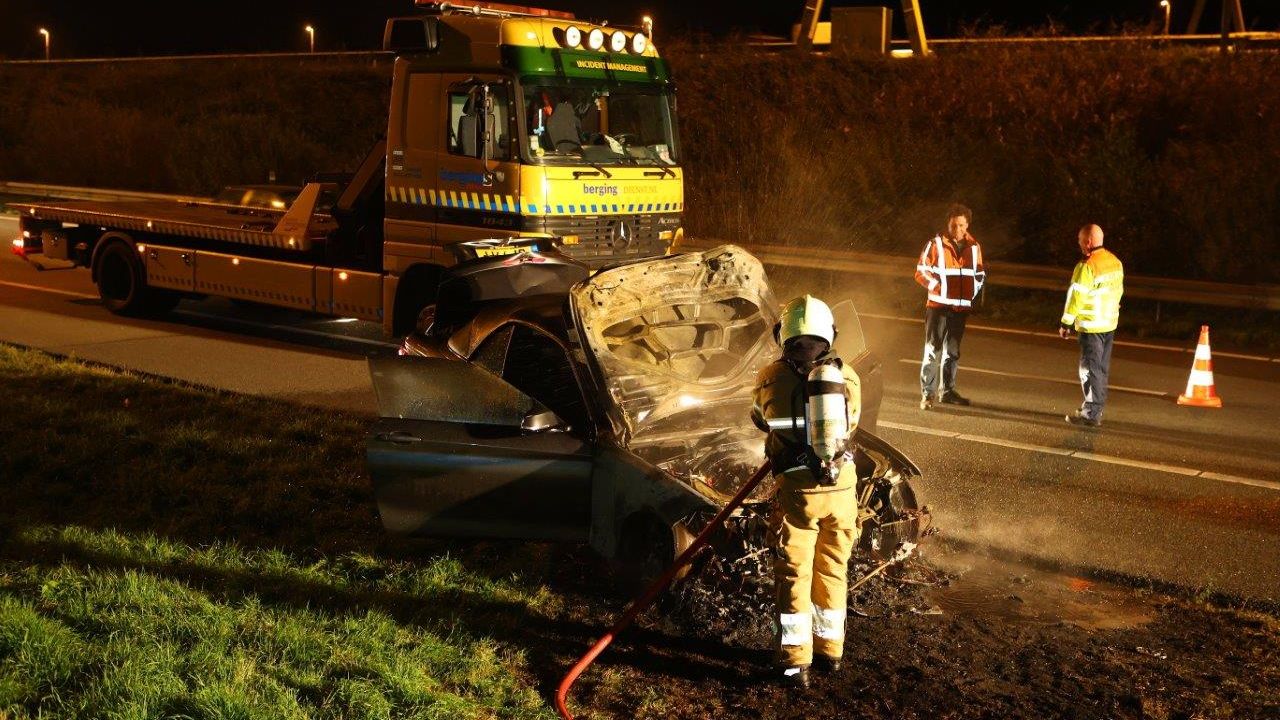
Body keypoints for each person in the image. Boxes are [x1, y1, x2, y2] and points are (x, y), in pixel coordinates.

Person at [751, 295, 861, 689]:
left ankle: (795, 663)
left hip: (800, 493)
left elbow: (760, 418)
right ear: (830, 333)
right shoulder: (848, 375)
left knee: (795, 573)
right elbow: (852, 423)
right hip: (842, 488)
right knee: (833, 567)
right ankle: (831, 652)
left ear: (783, 335)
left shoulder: (770, 376)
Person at [914, 204, 986, 410]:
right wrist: (938, 288)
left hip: (960, 309)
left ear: (967, 225)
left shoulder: (974, 247)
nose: (957, 229)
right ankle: (927, 395)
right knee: (933, 350)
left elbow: (979, 273)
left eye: (961, 225)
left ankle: (947, 392)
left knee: (952, 352)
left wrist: (972, 292)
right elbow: (921, 271)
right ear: (948, 224)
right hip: (938, 306)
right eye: (954, 225)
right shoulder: (935, 244)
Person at [1060, 224, 1124, 427]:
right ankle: (1095, 408)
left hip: (1091, 326)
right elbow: (1118, 291)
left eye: (1080, 240)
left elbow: (1076, 297)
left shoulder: (1086, 266)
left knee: (1089, 370)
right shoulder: (1114, 261)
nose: (1079, 244)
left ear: (1088, 242)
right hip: (1109, 324)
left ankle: (1091, 414)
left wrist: (1066, 322)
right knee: (1101, 369)